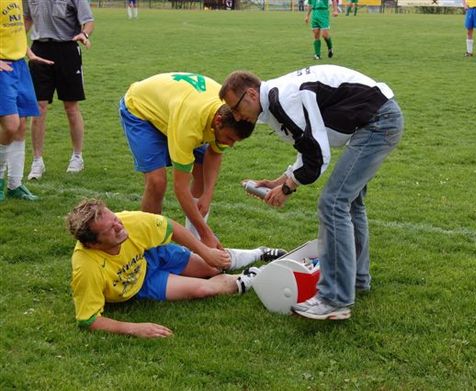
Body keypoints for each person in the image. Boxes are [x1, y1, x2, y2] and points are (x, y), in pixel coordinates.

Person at [220, 65, 404, 320]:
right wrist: (281, 180)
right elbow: (307, 144)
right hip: (376, 120)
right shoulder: (276, 98)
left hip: (378, 123)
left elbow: (318, 154)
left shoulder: (281, 99)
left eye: (236, 108)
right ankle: (357, 280)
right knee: (350, 203)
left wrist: (288, 188)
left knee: (333, 203)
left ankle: (334, 299)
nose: (237, 117)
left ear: (251, 94)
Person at [66, 198, 286, 338]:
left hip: (152, 255)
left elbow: (171, 227)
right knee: (203, 289)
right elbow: (89, 320)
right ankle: (259, 276)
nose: (119, 226)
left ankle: (259, 253)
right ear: (93, 244)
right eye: (110, 230)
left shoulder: (129, 221)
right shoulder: (86, 268)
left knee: (212, 266)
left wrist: (206, 252)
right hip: (138, 282)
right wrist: (134, 328)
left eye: (115, 219)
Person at [119, 72, 255, 250]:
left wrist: (207, 194)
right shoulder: (190, 126)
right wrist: (208, 233)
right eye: (229, 138)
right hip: (140, 109)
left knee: (201, 172)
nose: (230, 145)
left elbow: (213, 155)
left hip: (176, 109)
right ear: (218, 121)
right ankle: (150, 246)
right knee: (157, 182)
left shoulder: (230, 112)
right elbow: (180, 187)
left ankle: (195, 243)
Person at [22, 0, 95, 180]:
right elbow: (27, 18)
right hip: (39, 49)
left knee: (71, 107)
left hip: (67, 49)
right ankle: (37, 160)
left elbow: (88, 20)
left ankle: (77, 156)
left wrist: (84, 34)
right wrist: (15, 39)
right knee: (38, 107)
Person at [0, 0, 53, 202]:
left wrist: (29, 53)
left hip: (19, 66)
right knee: (11, 125)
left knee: (21, 125)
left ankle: (15, 184)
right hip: (2, 67)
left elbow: (16, 30)